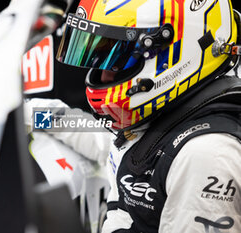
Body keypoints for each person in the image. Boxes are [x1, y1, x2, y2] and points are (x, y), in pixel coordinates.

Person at [46, 0, 241, 232]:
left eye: (117, 58)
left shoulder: (204, 155)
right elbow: (104, 141)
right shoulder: (165, 115)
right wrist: (38, 114)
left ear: (175, 53)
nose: (104, 76)